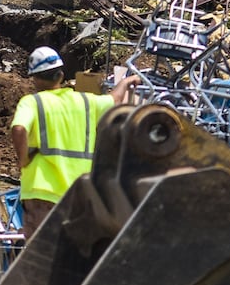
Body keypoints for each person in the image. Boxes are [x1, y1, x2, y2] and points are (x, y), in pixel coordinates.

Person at [9, 46, 137, 240]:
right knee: (71, 257)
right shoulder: (86, 102)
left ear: (35, 78)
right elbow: (114, 99)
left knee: (39, 258)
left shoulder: (32, 102)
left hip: (41, 192)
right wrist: (126, 81)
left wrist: (23, 160)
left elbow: (19, 129)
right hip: (79, 194)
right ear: (60, 75)